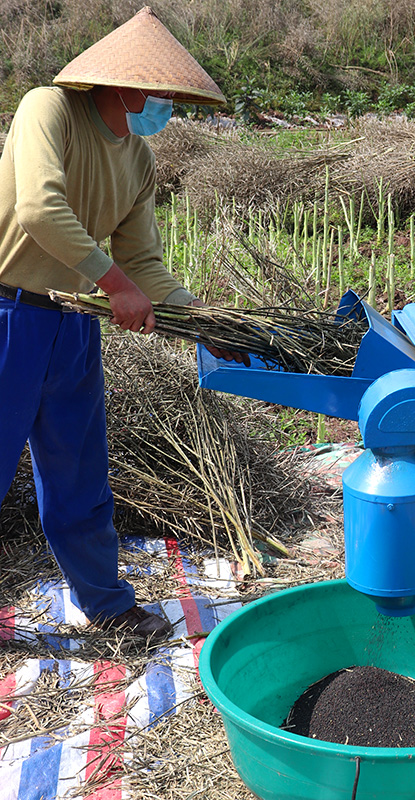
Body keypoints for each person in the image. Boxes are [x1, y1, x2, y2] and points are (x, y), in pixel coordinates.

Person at [0, 7, 242, 642]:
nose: (168, 108)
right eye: (164, 94)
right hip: (8, 317)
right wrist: (116, 285)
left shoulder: (136, 159)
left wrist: (204, 322)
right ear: (128, 86)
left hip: (72, 324)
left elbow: (144, 265)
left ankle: (107, 606)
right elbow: (39, 209)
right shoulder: (47, 109)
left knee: (80, 473)